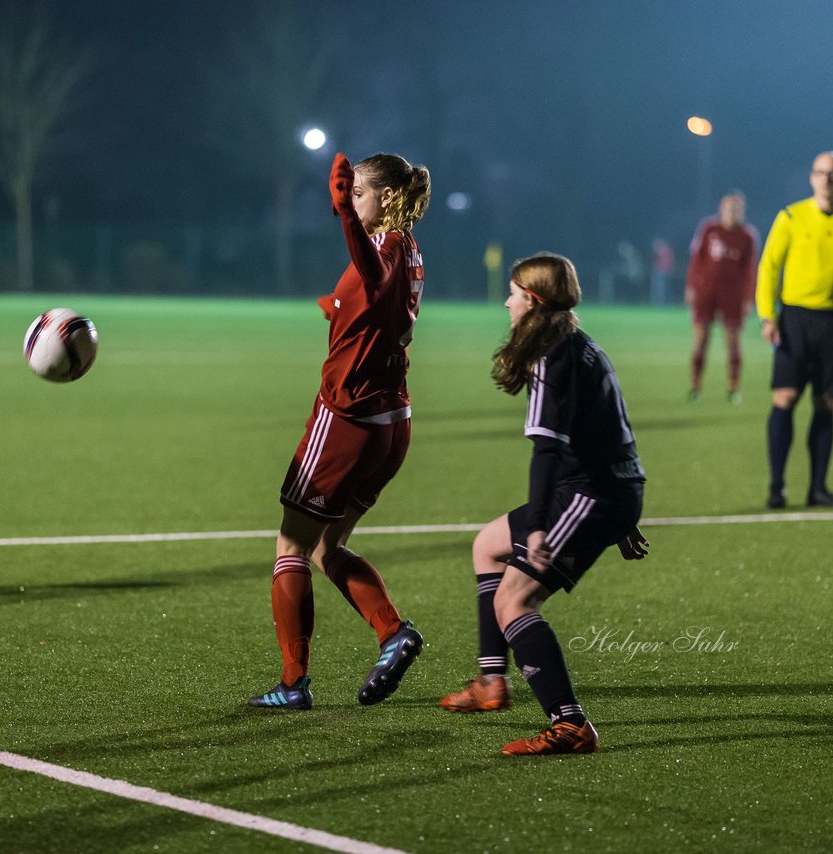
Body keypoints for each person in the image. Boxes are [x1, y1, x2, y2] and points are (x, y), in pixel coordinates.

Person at [438, 252, 649, 756]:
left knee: (515, 602)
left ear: (533, 300)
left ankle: (569, 724)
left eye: (513, 292)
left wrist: (539, 529)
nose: (506, 301)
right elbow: (606, 429)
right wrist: (621, 515)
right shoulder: (573, 342)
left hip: (590, 493)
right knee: (487, 546)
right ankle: (492, 682)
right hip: (604, 489)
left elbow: (548, 449)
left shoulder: (552, 356)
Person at [248, 151, 431, 711]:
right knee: (330, 547)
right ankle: (392, 633)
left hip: (348, 416)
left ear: (386, 198)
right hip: (391, 421)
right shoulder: (410, 251)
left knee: (292, 546)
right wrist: (337, 309)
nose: (350, 203)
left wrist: (347, 220)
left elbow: (374, 281)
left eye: (358, 195)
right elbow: (378, 304)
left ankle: (292, 683)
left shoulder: (382, 245)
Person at [756, 152, 833, 510]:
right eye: (820, 173)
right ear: (811, 178)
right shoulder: (791, 217)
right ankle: (777, 488)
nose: (826, 179)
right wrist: (767, 316)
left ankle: (818, 489)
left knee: (825, 405)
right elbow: (769, 268)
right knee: (784, 398)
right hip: (794, 320)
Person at [684, 191, 759, 403]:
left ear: (742, 211)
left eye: (737, 209)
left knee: (733, 343)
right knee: (700, 340)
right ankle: (695, 386)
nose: (733, 212)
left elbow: (750, 269)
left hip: (732, 295)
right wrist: (691, 287)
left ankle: (733, 388)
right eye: (729, 208)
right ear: (721, 209)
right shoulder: (709, 229)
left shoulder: (747, 236)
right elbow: (696, 259)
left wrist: (748, 298)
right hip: (707, 292)